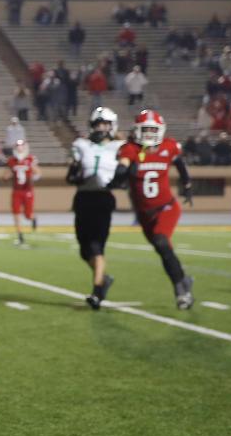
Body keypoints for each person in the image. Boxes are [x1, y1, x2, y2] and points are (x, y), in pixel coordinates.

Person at [113, 110, 195, 309]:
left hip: (166, 207)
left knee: (161, 243)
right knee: (163, 250)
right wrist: (123, 172)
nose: (149, 133)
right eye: (146, 129)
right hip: (144, 214)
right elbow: (121, 170)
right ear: (138, 130)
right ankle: (183, 279)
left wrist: (187, 185)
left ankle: (181, 293)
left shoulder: (169, 146)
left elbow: (180, 164)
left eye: (153, 129)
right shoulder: (130, 149)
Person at [66, 107, 124, 310]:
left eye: (104, 124)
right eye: (97, 124)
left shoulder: (120, 147)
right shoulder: (82, 145)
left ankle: (97, 290)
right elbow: (72, 173)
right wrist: (75, 173)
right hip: (83, 198)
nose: (100, 128)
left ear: (111, 126)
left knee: (96, 246)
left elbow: (128, 169)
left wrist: (121, 180)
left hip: (102, 198)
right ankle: (104, 278)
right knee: (84, 250)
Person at [7, 140, 40, 244]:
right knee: (16, 213)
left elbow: (38, 173)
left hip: (27, 191)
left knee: (28, 215)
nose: (19, 148)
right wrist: (6, 176)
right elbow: (7, 174)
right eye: (18, 146)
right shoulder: (12, 160)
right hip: (16, 190)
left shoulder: (30, 159)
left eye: (21, 146)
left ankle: (33, 218)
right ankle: (20, 235)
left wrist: (32, 180)